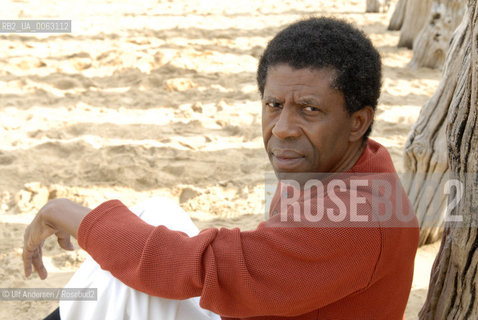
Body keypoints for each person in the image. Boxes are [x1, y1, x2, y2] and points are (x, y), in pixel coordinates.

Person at [23, 17, 419, 319]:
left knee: (139, 282)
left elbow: (194, 267)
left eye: (309, 110)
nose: (282, 130)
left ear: (358, 122)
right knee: (155, 213)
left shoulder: (358, 215)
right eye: (274, 105)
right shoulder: (337, 163)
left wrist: (64, 212)